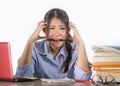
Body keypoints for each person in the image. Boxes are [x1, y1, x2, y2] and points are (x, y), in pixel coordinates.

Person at [15, 8, 92, 80]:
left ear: (68, 30)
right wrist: (29, 42)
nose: (57, 34)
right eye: (52, 28)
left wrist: (81, 44)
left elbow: (83, 79)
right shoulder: (35, 48)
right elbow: (22, 78)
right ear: (45, 30)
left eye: (62, 28)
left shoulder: (75, 50)